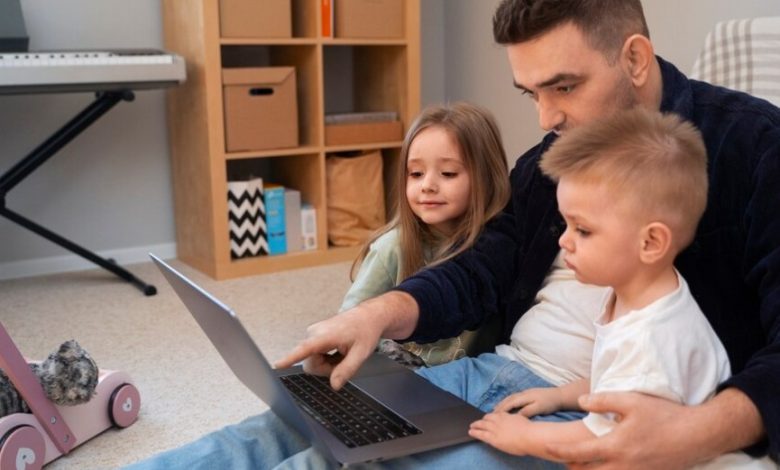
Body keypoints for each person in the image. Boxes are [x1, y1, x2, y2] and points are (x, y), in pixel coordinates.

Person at [128, 0, 780, 468]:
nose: (549, 118)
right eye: (531, 93)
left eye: (565, 86)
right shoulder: (548, 164)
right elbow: (483, 267)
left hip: (584, 417)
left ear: (634, 58)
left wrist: (696, 434)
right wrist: (385, 311)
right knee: (278, 431)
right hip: (493, 376)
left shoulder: (755, 149)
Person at [469, 107, 774, 469]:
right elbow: (613, 381)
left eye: (582, 230)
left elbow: (607, 441)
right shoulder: (632, 297)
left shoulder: (653, 338)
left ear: (650, 243)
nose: (564, 241)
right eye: (565, 224)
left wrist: (525, 437)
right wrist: (560, 396)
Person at [340, 102, 510, 368]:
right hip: (399, 379)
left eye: (448, 173)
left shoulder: (499, 248)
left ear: (487, 177)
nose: (427, 186)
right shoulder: (392, 248)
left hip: (470, 382)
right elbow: (349, 324)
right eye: (416, 173)